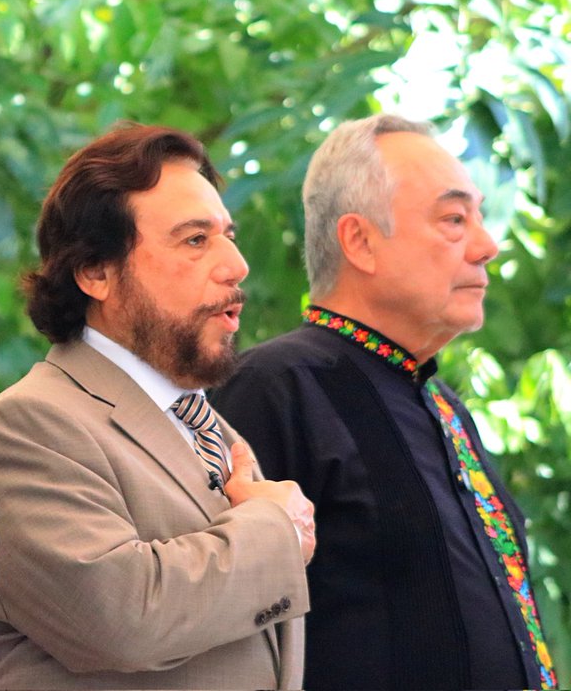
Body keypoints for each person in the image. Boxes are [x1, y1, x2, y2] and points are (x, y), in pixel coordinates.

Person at [211, 114, 558, 690]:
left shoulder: (444, 405)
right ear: (361, 241)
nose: (487, 246)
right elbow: (225, 623)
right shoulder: (275, 386)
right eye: (453, 219)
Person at [0, 124, 314, 690]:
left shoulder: (214, 428)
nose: (236, 265)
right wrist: (274, 525)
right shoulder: (31, 424)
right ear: (96, 272)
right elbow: (118, 615)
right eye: (194, 239)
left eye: (228, 235)